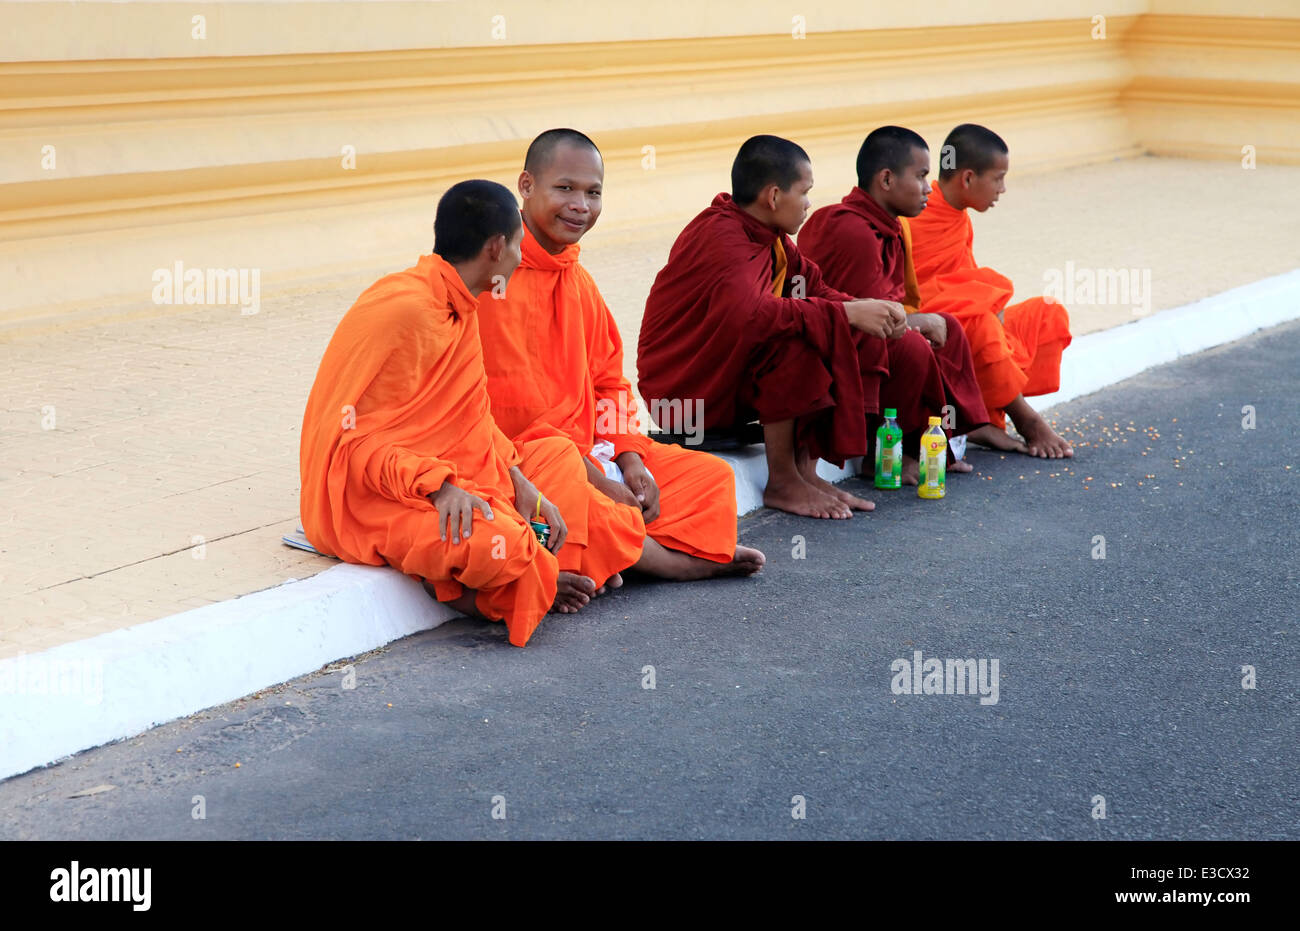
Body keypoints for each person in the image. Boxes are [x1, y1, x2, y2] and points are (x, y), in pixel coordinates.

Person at [299, 180, 640, 648]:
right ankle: (492, 594)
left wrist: (520, 483)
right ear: (497, 248)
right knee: (496, 541)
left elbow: (474, 420)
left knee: (557, 466)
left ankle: (532, 574)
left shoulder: (459, 305)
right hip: (371, 494)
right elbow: (353, 444)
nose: (523, 258)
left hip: (447, 477)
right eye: (519, 246)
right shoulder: (408, 311)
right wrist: (438, 487)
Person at [476, 129, 765, 579]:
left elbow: (609, 383)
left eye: (593, 193)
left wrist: (628, 462)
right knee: (567, 488)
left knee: (709, 478)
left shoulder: (580, 283)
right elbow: (482, 413)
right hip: (524, 462)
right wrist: (598, 480)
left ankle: (622, 545)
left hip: (592, 451)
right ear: (527, 186)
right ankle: (666, 560)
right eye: (565, 188)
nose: (580, 206)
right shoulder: (490, 278)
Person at [640, 134, 935, 509]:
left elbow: (815, 288)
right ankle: (781, 483)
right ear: (774, 196)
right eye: (805, 192)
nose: (810, 204)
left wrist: (865, 310)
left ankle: (803, 472)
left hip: (724, 373)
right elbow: (752, 316)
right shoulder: (722, 236)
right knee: (795, 339)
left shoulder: (772, 238)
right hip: (684, 393)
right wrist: (847, 313)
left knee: (837, 327)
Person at [798, 125, 1028, 471]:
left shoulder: (891, 226)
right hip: (833, 342)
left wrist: (919, 320)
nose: (926, 188)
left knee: (947, 326)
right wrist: (914, 323)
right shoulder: (853, 230)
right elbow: (866, 320)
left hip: (867, 331)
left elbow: (892, 303)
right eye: (920, 177)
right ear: (886, 180)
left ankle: (948, 436)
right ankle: (885, 450)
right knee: (912, 345)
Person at [907, 123, 1074, 458]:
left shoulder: (959, 217)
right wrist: (983, 299)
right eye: (997, 178)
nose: (1003, 189)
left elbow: (959, 279)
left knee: (1047, 312)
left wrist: (984, 298)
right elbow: (912, 292)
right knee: (982, 322)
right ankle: (1026, 420)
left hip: (962, 318)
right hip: (928, 325)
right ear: (968, 178)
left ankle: (980, 416)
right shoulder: (914, 214)